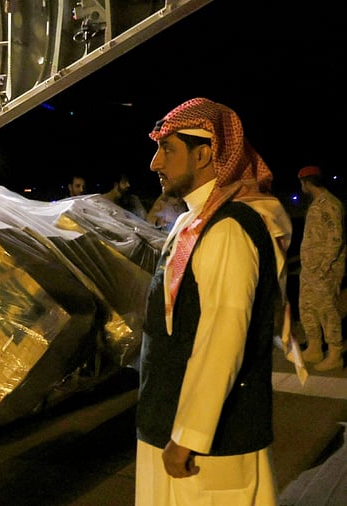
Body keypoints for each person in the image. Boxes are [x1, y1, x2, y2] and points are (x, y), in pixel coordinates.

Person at [136, 98, 292, 505]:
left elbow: (223, 336)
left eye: (167, 149)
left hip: (207, 449)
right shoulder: (194, 221)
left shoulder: (229, 229)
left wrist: (188, 436)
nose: (155, 163)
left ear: (205, 154)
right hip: (169, 427)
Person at [296, 165, 345, 371]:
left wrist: (324, 267)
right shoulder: (317, 203)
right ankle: (315, 347)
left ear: (307, 182)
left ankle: (335, 353)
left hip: (324, 271)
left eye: (301, 183)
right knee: (307, 307)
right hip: (310, 270)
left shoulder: (330, 204)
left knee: (327, 311)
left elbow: (336, 239)